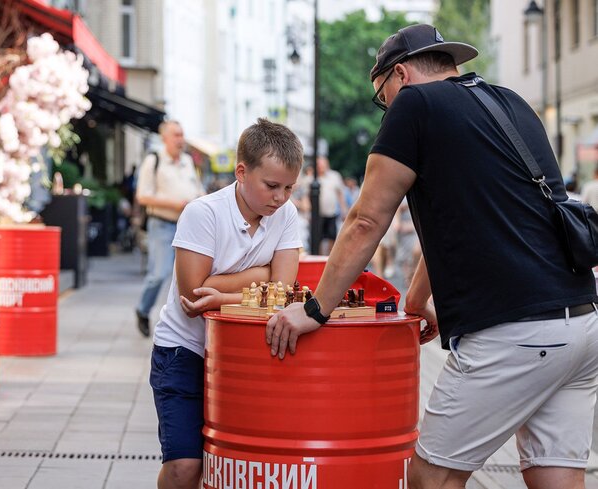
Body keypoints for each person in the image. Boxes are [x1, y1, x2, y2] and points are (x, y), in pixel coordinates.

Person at [266, 24, 598, 489]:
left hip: (514, 331)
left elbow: (366, 220)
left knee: (430, 478)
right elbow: (457, 225)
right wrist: (418, 299)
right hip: (580, 323)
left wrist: (316, 310)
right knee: (555, 477)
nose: (386, 109)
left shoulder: (415, 106)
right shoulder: (510, 103)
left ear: (399, 74)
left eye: (382, 97)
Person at [150, 118, 303, 489]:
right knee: (185, 468)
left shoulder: (286, 215)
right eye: (271, 186)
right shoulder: (203, 213)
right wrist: (263, 273)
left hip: (242, 356)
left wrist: (223, 293)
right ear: (241, 172)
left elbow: (283, 292)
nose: (280, 197)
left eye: (288, 188)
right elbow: (192, 299)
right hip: (183, 352)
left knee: (237, 463)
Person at [135, 121, 204, 337]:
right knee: (159, 273)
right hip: (162, 223)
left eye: (182, 134)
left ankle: (181, 320)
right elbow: (142, 196)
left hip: (187, 225)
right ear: (164, 137)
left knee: (189, 276)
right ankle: (143, 310)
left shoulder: (187, 161)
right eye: (176, 135)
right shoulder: (154, 160)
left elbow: (197, 190)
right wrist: (174, 204)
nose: (180, 139)